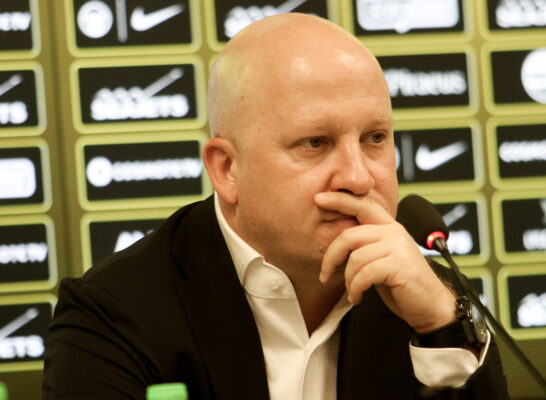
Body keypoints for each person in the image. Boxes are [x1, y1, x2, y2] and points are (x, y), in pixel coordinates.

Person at [42, 13, 508, 399]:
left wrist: (441, 327)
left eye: (375, 138)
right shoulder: (114, 315)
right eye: (315, 142)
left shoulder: (427, 299)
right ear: (227, 169)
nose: (358, 177)